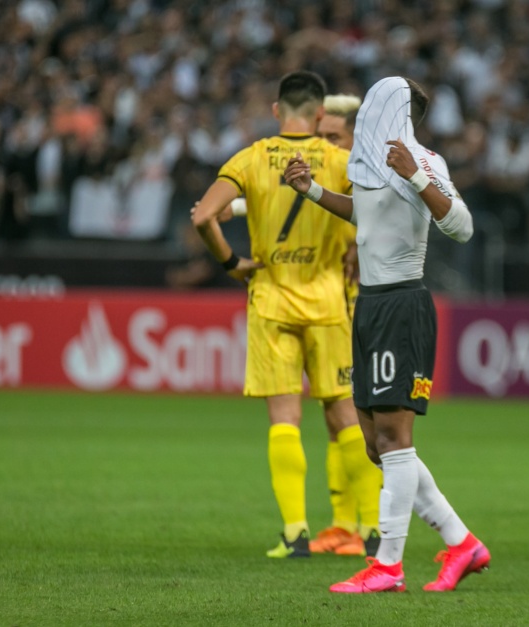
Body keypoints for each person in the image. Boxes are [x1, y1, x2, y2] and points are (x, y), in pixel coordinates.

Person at [284, 76, 489, 592]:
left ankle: (388, 565)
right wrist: (311, 190)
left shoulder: (425, 161)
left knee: (396, 440)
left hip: (403, 304)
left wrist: (416, 175)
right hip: (370, 306)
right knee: (379, 445)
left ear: (400, 111)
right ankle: (462, 544)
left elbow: (461, 225)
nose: (369, 108)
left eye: (379, 100)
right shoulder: (372, 164)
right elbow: (366, 218)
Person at [192, 71, 363, 559]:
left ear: (275, 110)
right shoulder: (339, 161)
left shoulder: (250, 157)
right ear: (317, 115)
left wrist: (232, 263)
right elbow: (375, 211)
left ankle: (295, 533)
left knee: (284, 419)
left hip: (271, 297)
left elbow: (203, 215)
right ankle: (370, 531)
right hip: (330, 300)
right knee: (347, 416)